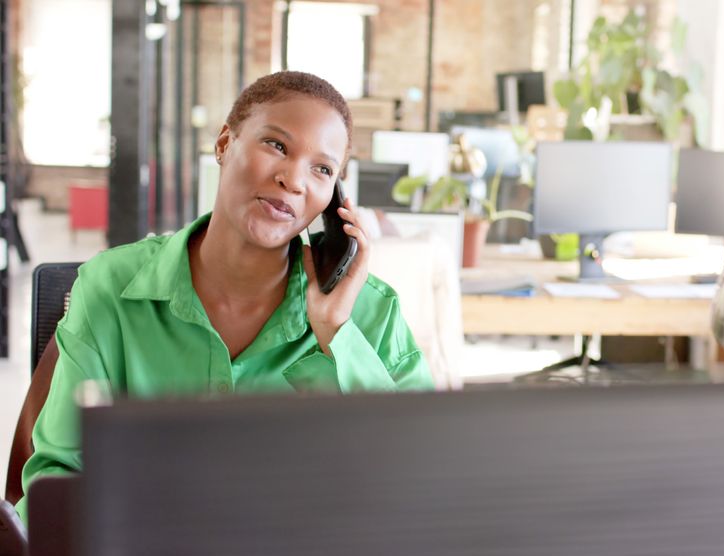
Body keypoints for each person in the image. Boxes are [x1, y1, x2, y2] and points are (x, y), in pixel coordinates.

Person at [15, 71, 433, 520]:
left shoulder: (370, 310)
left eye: (322, 169)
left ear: (333, 201)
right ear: (223, 144)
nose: (294, 180)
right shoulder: (112, 286)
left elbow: (428, 484)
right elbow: (58, 477)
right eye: (277, 145)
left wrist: (337, 333)